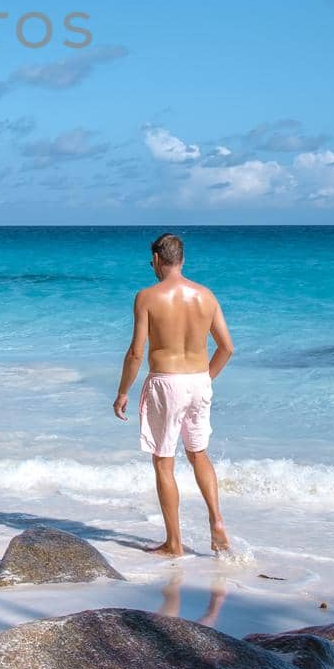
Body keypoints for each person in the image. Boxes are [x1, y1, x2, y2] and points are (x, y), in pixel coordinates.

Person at [113, 233, 234, 556]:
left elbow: (137, 353)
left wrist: (123, 391)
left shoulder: (147, 297)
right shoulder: (206, 296)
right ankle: (217, 520)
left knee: (164, 462)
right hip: (198, 381)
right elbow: (227, 347)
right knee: (199, 454)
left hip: (166, 382)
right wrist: (205, 379)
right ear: (182, 259)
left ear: (156, 259)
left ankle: (174, 543)